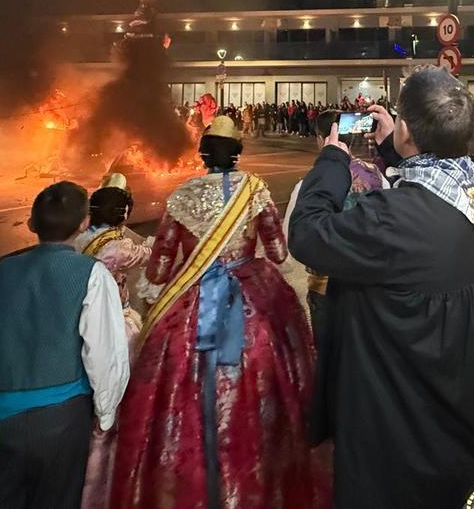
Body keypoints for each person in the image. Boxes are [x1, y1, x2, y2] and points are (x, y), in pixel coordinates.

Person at [289, 67, 474, 509]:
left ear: (406, 127)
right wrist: (394, 146)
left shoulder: (392, 217)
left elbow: (308, 234)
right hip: (455, 417)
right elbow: (429, 173)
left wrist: (332, 159)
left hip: (398, 433)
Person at [109, 116, 329, 509]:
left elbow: (158, 270)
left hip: (189, 305)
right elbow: (278, 252)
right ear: (238, 154)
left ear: (204, 154)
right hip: (253, 300)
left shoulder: (181, 196)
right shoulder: (255, 190)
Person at [0, 182, 129, 508]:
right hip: (65, 419)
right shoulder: (93, 275)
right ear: (84, 223)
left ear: (31, 225)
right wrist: (105, 415)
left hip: (3, 417)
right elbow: (104, 354)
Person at [283, 109, 388, 338]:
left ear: (321, 139)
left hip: (326, 290)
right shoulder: (379, 177)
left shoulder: (309, 187)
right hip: (372, 288)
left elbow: (292, 240)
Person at [72, 173, 152, 352]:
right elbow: (147, 254)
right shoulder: (120, 248)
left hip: (81, 309)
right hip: (113, 316)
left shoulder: (80, 236)